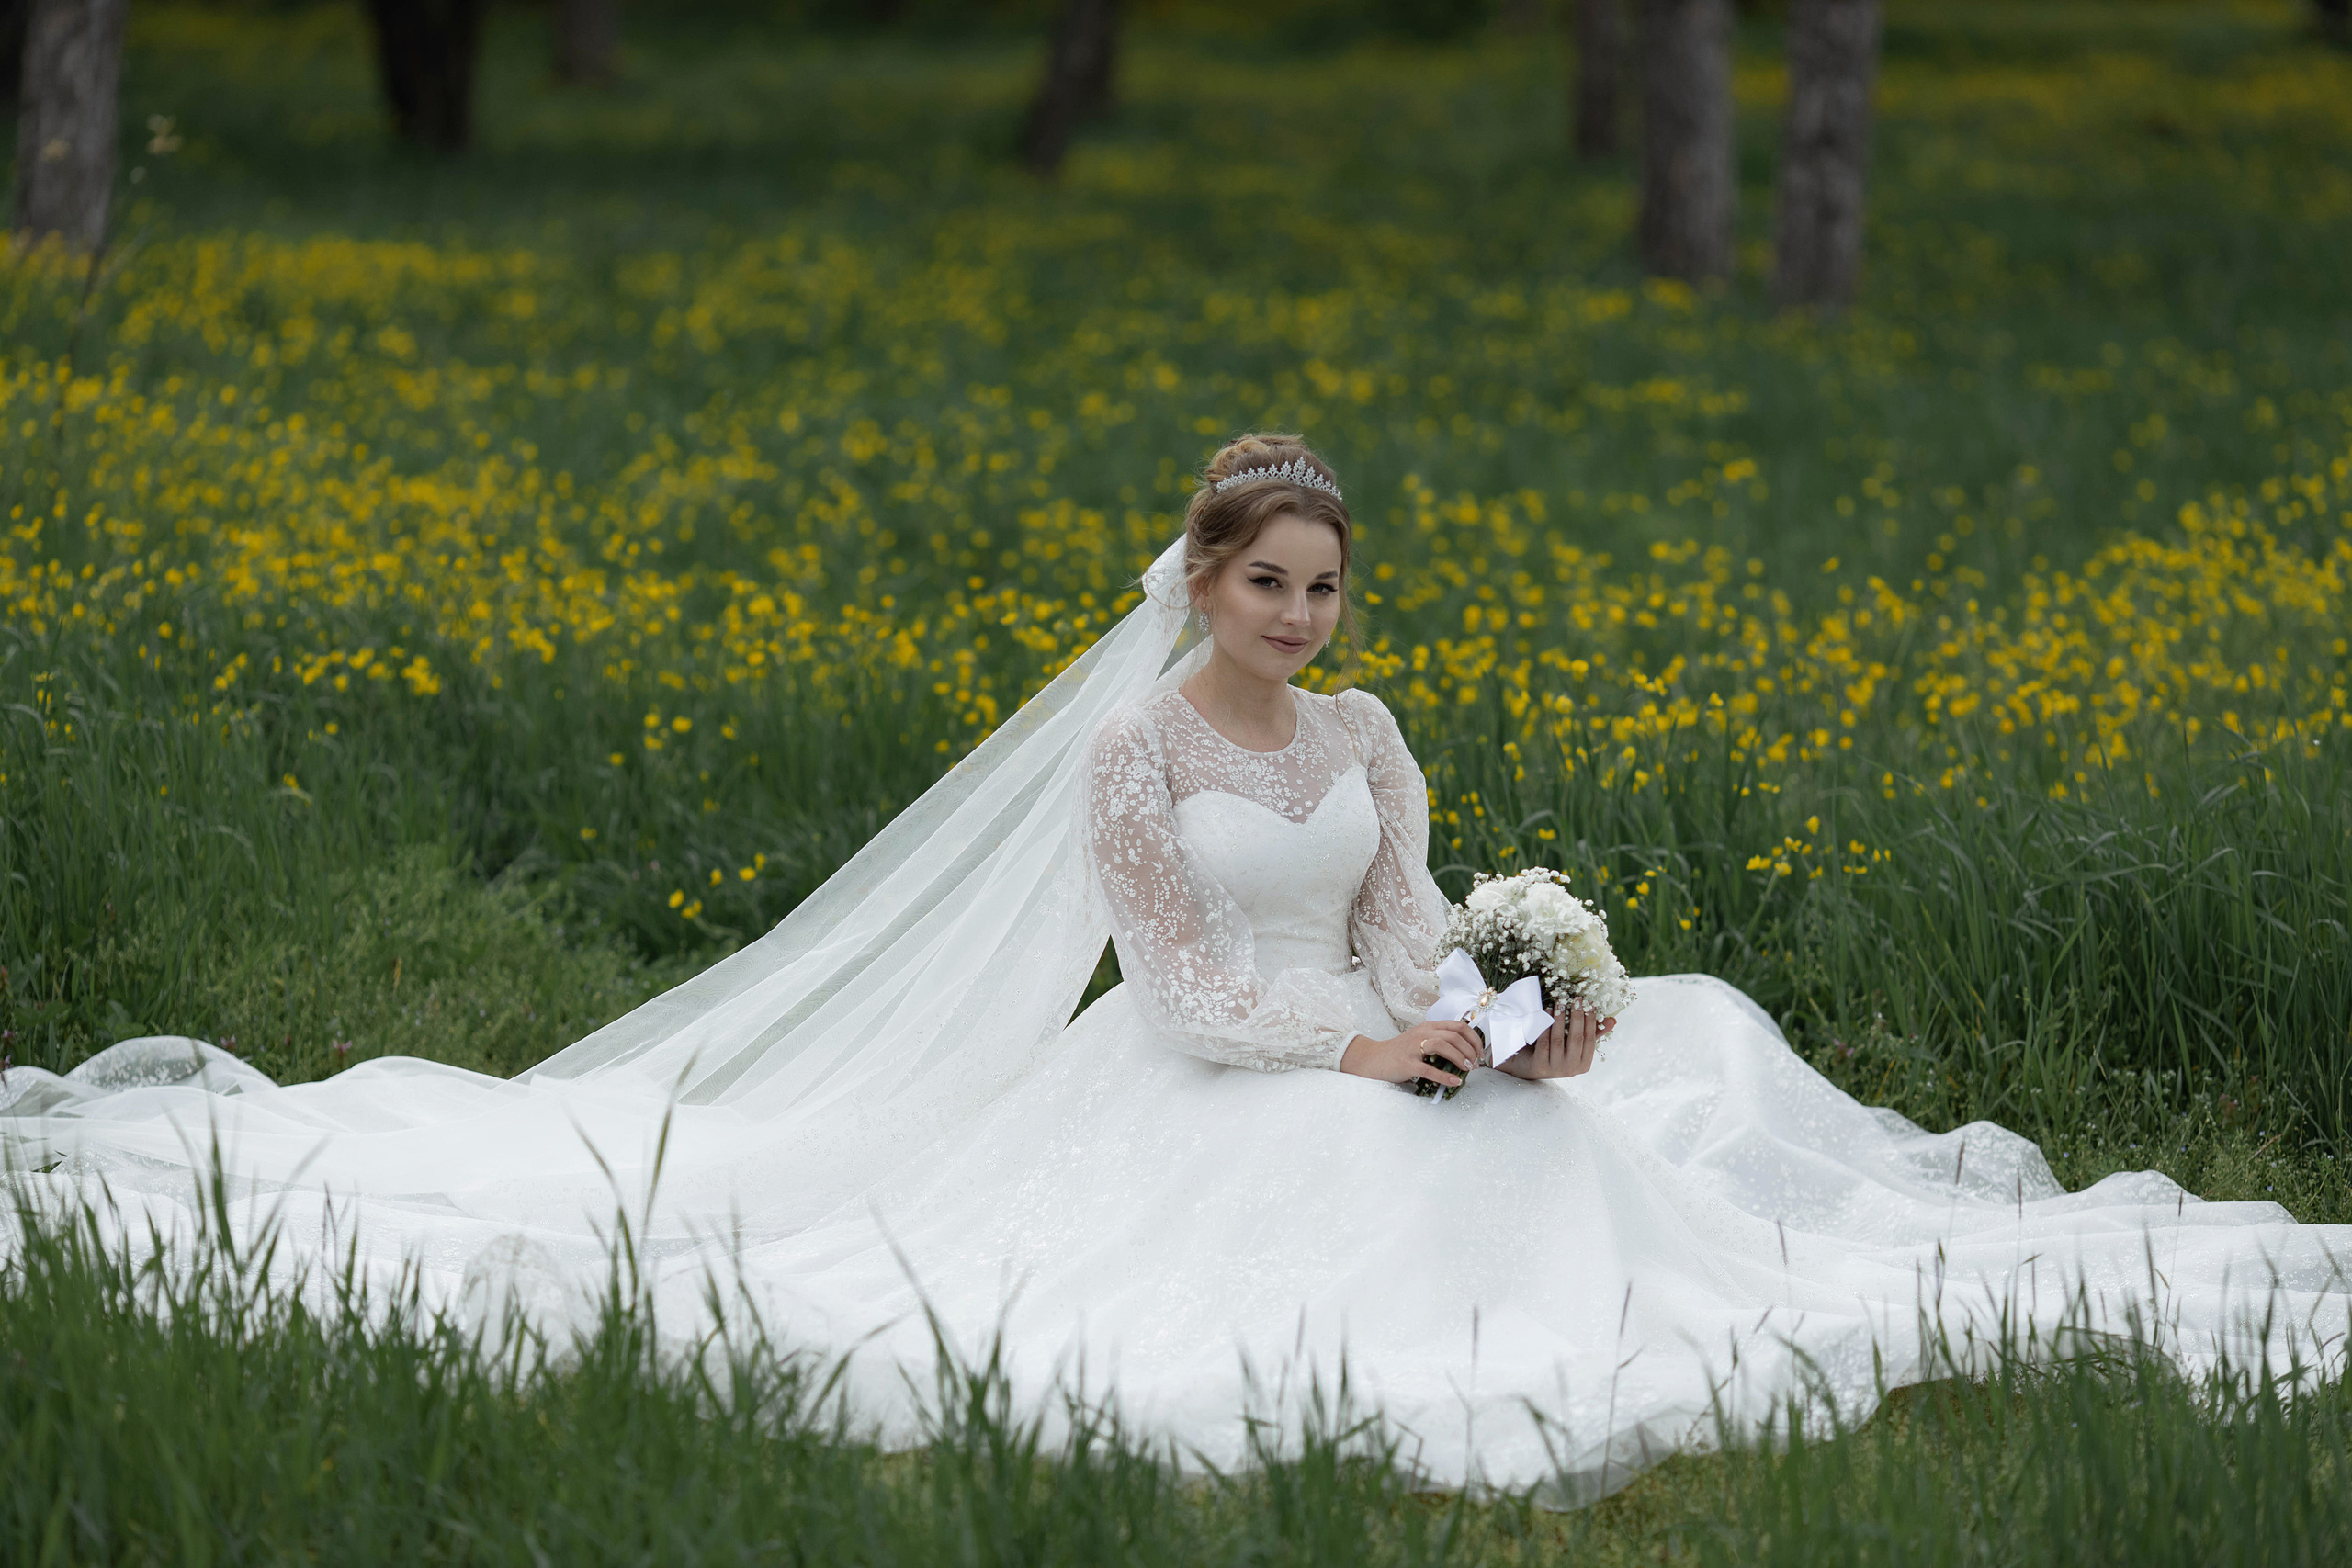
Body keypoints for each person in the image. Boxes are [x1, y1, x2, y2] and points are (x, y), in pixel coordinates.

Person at [6, 434, 2347, 1505]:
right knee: (1365, 1191)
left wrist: (1511, 1000)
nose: (1302, 621)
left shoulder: (1367, 730)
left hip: (1374, 1028)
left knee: (1594, 1096)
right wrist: (1368, 1048)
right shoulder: (1133, 754)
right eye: (1268, 588)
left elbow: (1399, 918)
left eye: (1326, 588)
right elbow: (1196, 983)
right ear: (1200, 584)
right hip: (1214, 1066)